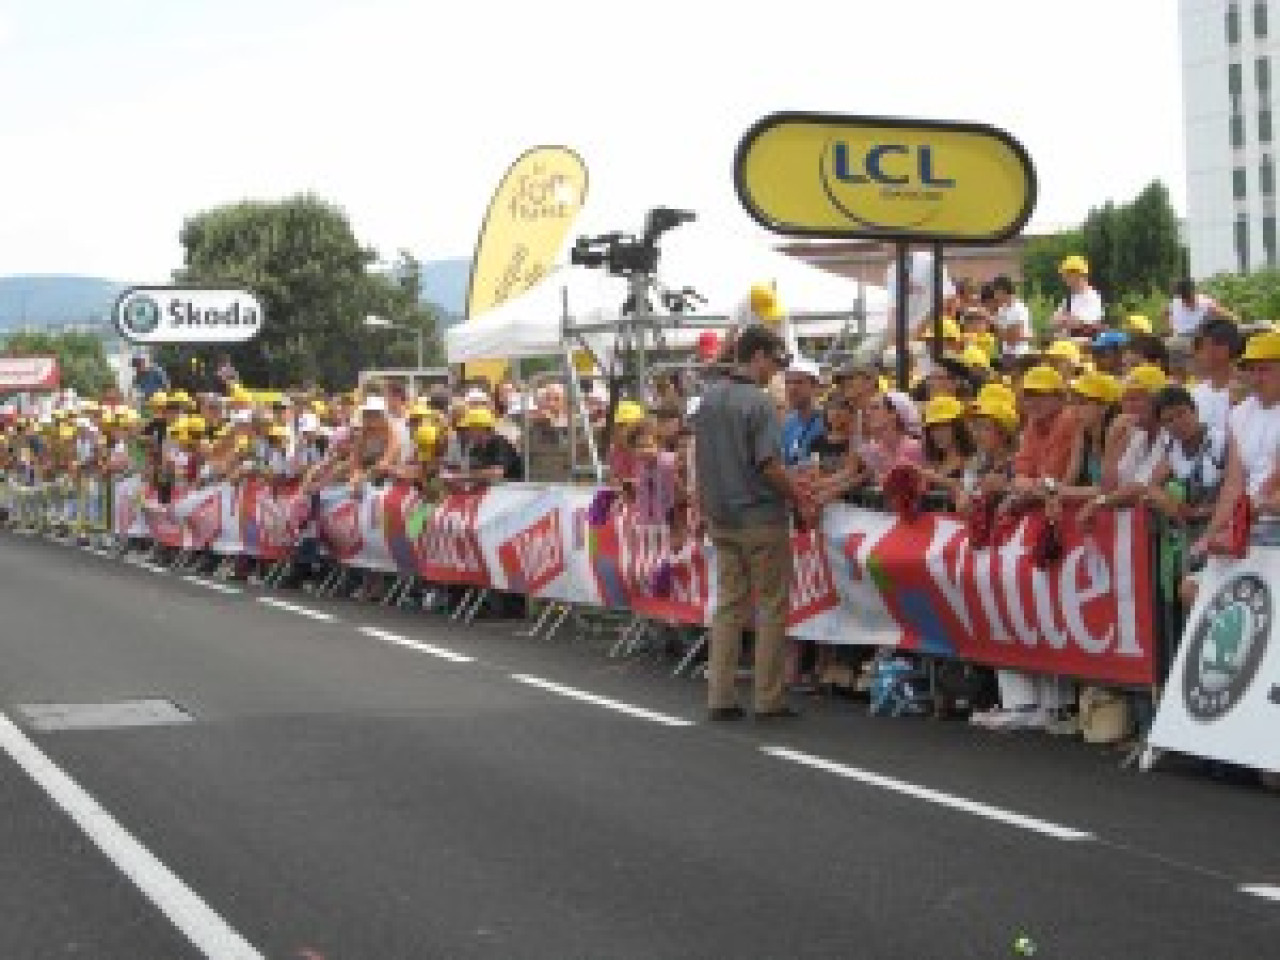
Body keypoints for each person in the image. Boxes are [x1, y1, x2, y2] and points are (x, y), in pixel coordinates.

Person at [692, 324, 815, 721]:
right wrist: (798, 497)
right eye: (776, 361)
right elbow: (768, 465)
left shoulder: (709, 399)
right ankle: (768, 697)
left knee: (729, 606)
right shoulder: (759, 404)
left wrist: (702, 504)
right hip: (760, 516)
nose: (776, 371)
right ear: (758, 355)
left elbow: (699, 459)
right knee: (772, 607)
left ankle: (720, 695)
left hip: (722, 515)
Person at [884, 246, 954, 340]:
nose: (885, 247)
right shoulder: (892, 270)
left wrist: (921, 326)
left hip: (931, 331)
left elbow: (946, 299)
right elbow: (893, 306)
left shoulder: (930, 262)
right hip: (906, 333)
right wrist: (891, 331)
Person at [1190, 317, 1242, 435]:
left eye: (1211, 345)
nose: (1203, 353)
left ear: (1229, 348)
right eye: (1202, 347)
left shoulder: (1246, 391)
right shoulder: (1195, 393)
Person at [780, 358, 825, 467]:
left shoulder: (829, 422)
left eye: (799, 382)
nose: (792, 388)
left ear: (815, 386)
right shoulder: (788, 424)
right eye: (788, 383)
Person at [1162, 278, 1234, 342]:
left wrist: (1234, 321)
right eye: (1182, 295)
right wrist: (1170, 328)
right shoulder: (1175, 303)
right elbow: (1166, 313)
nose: (1185, 298)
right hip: (1180, 337)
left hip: (1199, 337)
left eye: (1187, 295)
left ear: (1193, 292)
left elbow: (1222, 312)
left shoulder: (1205, 301)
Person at [1050, 255, 1104, 338]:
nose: (1064, 278)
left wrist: (1066, 320)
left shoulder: (1092, 297)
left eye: (1067, 275)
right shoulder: (1069, 298)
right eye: (1064, 275)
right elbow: (1053, 320)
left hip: (1086, 343)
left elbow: (1087, 324)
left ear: (1079, 275)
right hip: (1069, 341)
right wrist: (1067, 320)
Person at [991, 275, 1033, 357]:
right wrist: (1007, 332)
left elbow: (1014, 337)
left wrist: (1004, 333)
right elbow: (998, 335)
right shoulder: (1001, 310)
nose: (995, 296)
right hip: (1005, 354)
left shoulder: (1019, 309)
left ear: (1003, 291)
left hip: (1020, 354)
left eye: (996, 293)